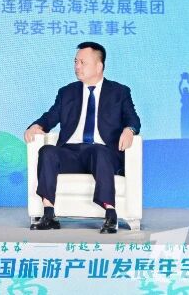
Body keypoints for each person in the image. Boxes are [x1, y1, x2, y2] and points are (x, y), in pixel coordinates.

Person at [25, 41, 141, 233]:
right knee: (47, 151)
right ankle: (49, 214)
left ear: (99, 66)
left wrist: (129, 130)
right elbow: (50, 117)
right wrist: (36, 126)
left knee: (99, 152)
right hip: (70, 152)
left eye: (82, 62)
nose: (77, 66)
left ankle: (110, 214)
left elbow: (133, 119)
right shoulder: (67, 92)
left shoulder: (119, 92)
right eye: (75, 62)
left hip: (102, 153)